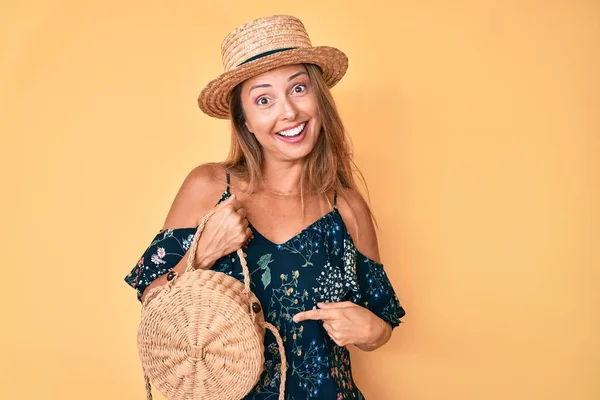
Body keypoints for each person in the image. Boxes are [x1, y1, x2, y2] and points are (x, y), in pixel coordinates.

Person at [125, 14, 405, 399]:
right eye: (263, 99)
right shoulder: (209, 187)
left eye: (299, 88)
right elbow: (152, 305)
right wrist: (202, 252)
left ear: (320, 99)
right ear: (246, 122)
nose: (288, 112)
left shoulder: (346, 208)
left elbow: (380, 325)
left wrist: (373, 332)